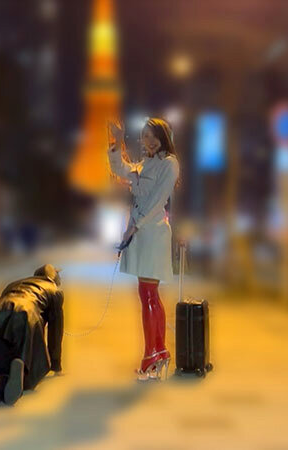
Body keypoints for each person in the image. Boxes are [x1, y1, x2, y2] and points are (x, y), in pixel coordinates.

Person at [107, 118, 181, 381]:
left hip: (152, 232)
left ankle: (151, 355)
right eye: (145, 136)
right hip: (142, 232)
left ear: (164, 137)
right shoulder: (145, 163)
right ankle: (159, 351)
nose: (148, 141)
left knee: (148, 293)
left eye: (153, 136)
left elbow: (158, 201)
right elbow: (120, 168)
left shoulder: (169, 163)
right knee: (149, 293)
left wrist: (134, 227)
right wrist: (117, 142)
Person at [0, 264, 64, 414]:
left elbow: (6, 309)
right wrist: (56, 364)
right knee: (25, 372)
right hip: (25, 317)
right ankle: (11, 380)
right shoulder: (54, 290)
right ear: (54, 278)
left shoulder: (14, 284)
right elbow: (56, 330)